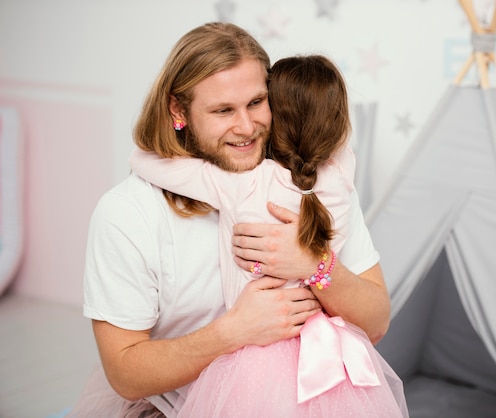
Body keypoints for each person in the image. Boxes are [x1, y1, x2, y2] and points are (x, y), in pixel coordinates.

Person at [68, 22, 395, 418]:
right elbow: (125, 374)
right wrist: (234, 332)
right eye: (223, 110)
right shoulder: (127, 213)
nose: (246, 127)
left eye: (257, 103)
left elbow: (376, 323)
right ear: (178, 110)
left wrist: (315, 264)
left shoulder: (309, 183)